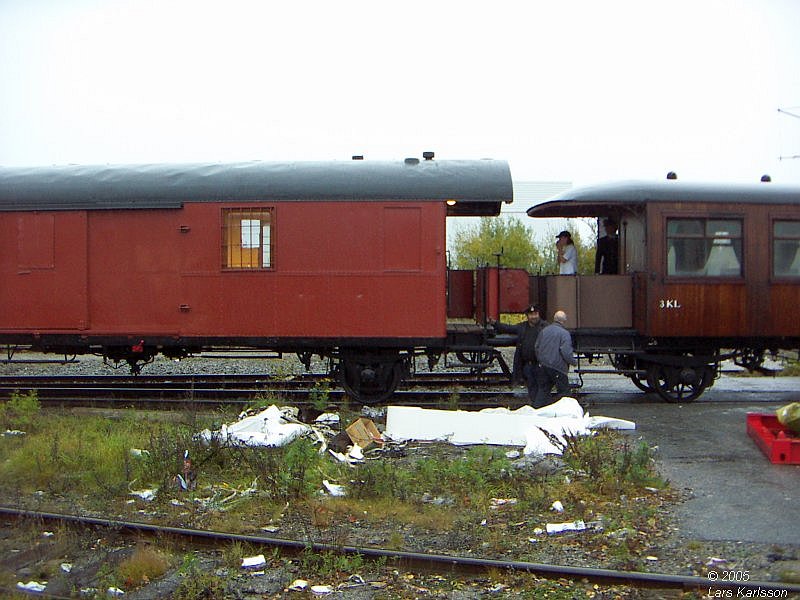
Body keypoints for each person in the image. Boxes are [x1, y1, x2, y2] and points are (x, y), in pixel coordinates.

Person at [489, 305, 548, 405]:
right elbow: (508, 328)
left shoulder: (545, 327)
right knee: (531, 385)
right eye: (531, 314)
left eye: (535, 314)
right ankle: (535, 405)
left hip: (540, 364)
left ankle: (540, 405)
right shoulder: (522, 327)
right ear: (527, 316)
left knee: (541, 386)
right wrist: (495, 323)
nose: (534, 317)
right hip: (528, 364)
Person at [534, 310, 577, 406]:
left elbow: (537, 347)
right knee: (564, 393)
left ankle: (537, 410)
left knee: (543, 391)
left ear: (554, 319)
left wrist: (541, 360)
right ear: (564, 321)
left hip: (543, 366)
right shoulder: (564, 333)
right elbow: (566, 352)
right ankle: (564, 412)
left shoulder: (544, 331)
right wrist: (573, 362)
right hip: (558, 368)